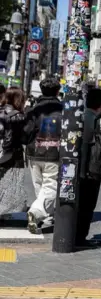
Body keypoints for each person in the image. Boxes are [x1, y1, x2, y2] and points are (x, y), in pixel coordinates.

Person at [23, 78, 62, 233]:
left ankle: (44, 216)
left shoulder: (33, 110)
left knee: (39, 186)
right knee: (51, 185)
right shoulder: (64, 110)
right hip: (54, 152)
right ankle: (37, 212)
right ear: (57, 91)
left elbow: (25, 132)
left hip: (33, 152)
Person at [76, 88, 101, 246]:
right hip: (90, 170)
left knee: (80, 204)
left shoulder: (80, 115)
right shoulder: (95, 120)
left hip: (79, 168)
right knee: (87, 206)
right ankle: (80, 238)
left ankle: (75, 235)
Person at [0, 88, 28, 219]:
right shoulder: (19, 115)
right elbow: (23, 137)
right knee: (11, 185)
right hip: (11, 154)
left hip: (4, 152)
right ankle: (3, 211)